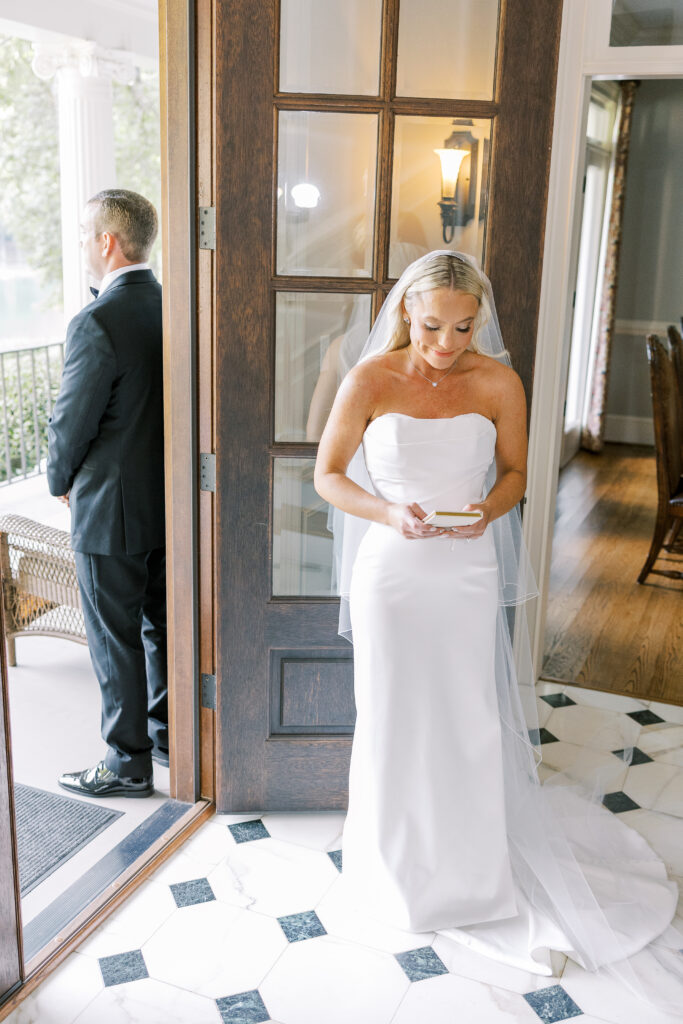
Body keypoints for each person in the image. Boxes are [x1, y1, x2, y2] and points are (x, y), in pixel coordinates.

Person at [314, 251, 683, 1012]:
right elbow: (328, 474)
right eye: (429, 327)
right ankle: (394, 869)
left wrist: (486, 510)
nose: (445, 343)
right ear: (405, 313)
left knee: (467, 715)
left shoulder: (497, 382)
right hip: (393, 571)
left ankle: (473, 872)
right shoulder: (370, 379)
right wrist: (389, 511)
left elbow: (515, 473)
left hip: (466, 570)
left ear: (479, 319)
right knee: (393, 715)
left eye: (461, 327)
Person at [47, 188, 166, 798]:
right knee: (158, 625)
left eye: (84, 237)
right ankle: (169, 735)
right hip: (169, 505)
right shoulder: (173, 305)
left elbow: (73, 422)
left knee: (112, 635)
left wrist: (57, 480)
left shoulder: (97, 320)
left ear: (107, 242)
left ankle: (126, 762)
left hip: (107, 512)